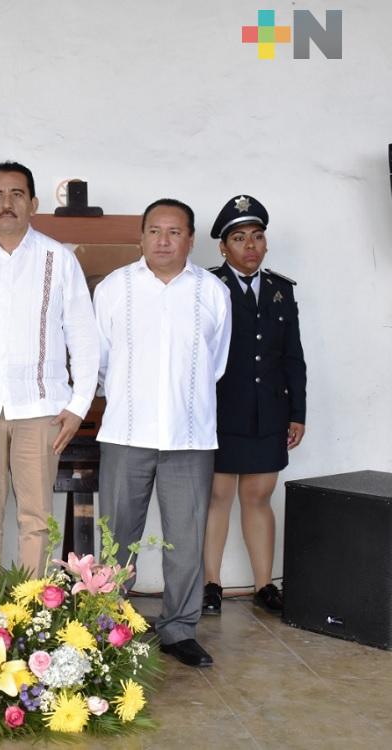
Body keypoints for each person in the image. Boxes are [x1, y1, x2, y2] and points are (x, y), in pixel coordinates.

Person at [93, 199, 231, 668]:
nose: (164, 240)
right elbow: (101, 361)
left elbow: (217, 364)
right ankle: (108, 622)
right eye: (155, 230)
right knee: (117, 536)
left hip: (189, 436)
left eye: (175, 232)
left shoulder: (212, 291)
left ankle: (179, 630)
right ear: (142, 236)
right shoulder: (115, 289)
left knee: (186, 538)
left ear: (190, 239)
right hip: (126, 432)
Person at [0, 161, 99, 576]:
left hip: (40, 409)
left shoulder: (58, 260)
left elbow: (84, 337)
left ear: (33, 203)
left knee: (36, 519)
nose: (7, 203)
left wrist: (78, 404)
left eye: (16, 194)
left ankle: (35, 613)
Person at [202, 195, 306, 616]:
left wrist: (297, 411)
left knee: (259, 495)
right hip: (221, 411)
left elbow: (292, 356)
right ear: (223, 248)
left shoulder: (281, 291)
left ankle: (265, 585)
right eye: (239, 238)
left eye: (257, 237)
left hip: (269, 411)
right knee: (218, 496)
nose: (250, 246)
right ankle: (211, 584)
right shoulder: (208, 286)